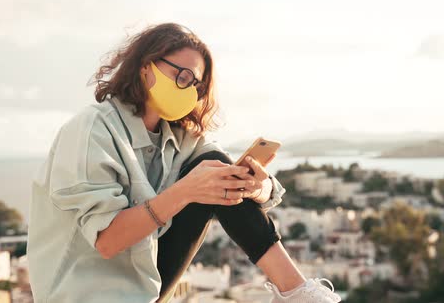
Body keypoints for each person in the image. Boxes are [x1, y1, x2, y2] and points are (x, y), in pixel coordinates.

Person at [26, 22, 342, 303]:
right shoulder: (91, 130)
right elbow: (107, 242)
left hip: (145, 288)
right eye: (183, 76)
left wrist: (259, 186)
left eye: (196, 85)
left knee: (216, 166)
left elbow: (239, 178)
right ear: (145, 67)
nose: (189, 89)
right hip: (84, 294)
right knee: (205, 175)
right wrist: (184, 192)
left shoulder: (176, 137)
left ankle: (297, 293)